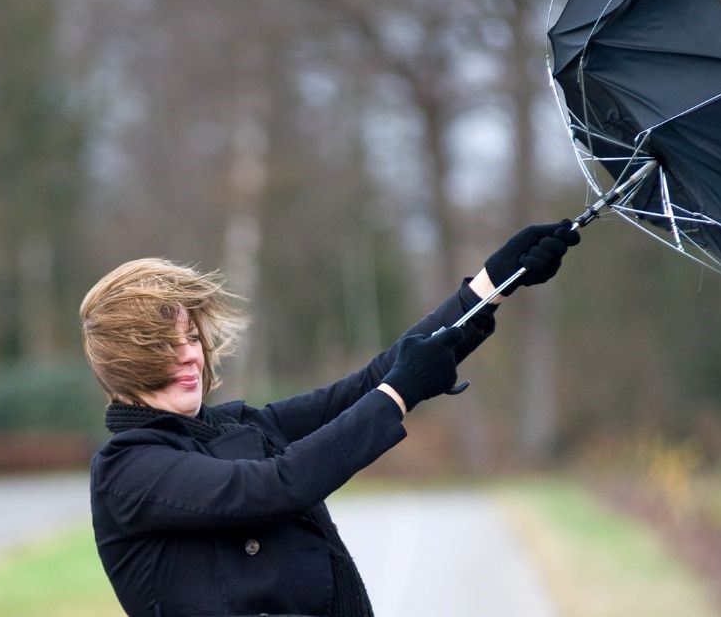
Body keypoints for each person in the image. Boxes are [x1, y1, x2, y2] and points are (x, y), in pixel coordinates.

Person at [80, 221, 580, 617]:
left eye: (191, 338)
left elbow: (367, 384)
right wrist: (399, 392)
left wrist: (490, 287)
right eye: (164, 347)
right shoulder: (128, 471)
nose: (189, 356)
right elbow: (275, 487)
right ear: (125, 363)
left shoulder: (237, 428)